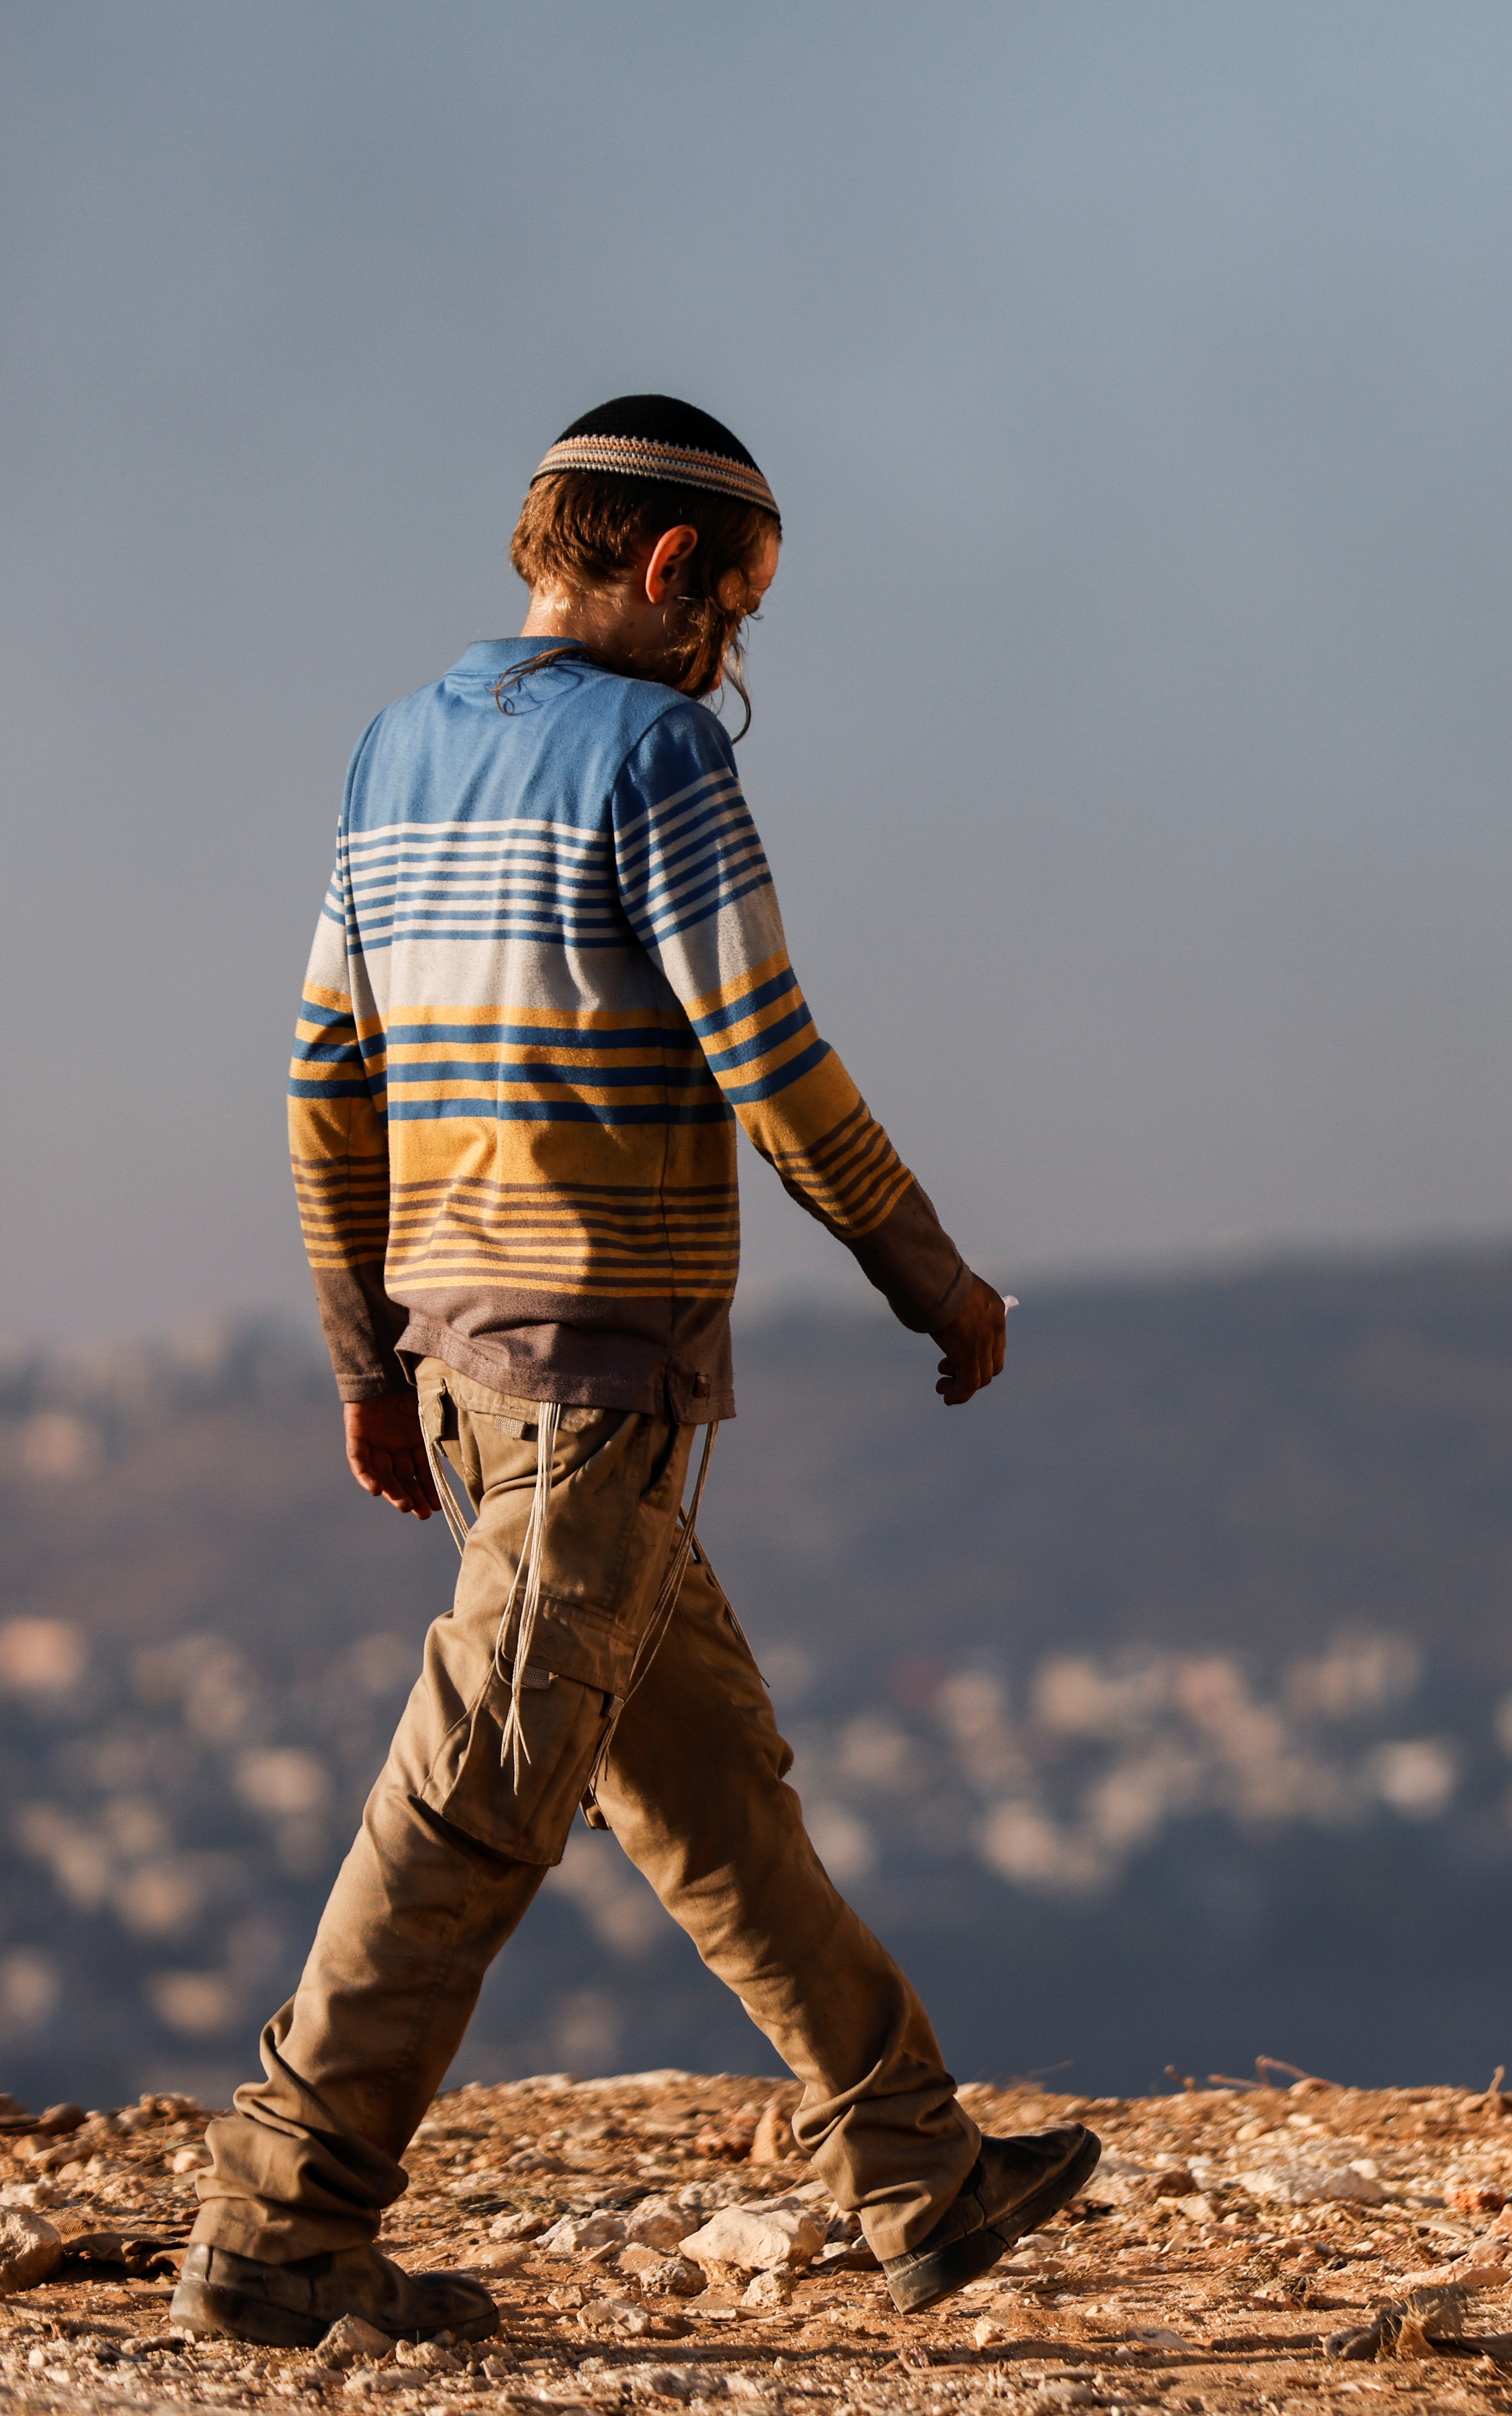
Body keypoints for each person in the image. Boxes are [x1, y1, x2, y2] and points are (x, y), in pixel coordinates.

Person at [174, 397, 1095, 2350]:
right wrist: (933, 1275)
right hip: (600, 1379)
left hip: (454, 1359)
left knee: (702, 1788)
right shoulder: (659, 748)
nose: (732, 656)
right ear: (673, 569)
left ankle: (918, 2169)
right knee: (483, 1786)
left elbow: (320, 1088)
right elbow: (767, 1055)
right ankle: (282, 2218)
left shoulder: (393, 750)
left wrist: (363, 1356)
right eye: (737, 608)